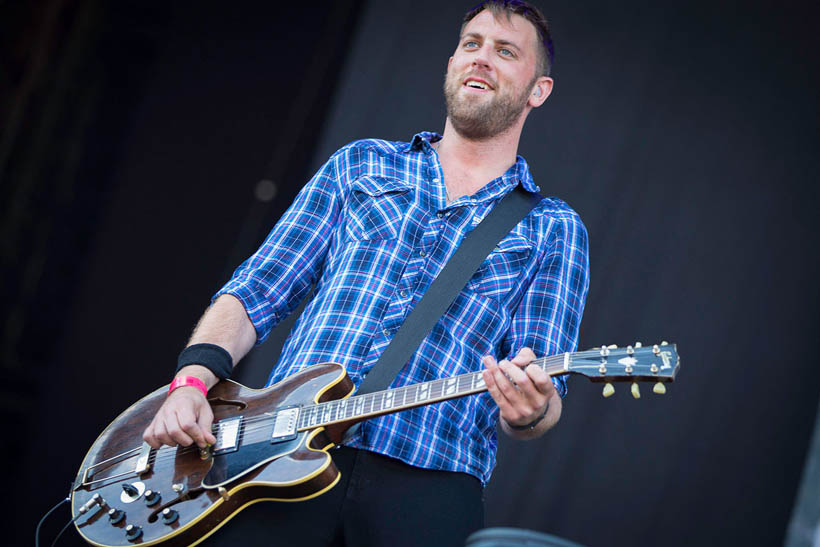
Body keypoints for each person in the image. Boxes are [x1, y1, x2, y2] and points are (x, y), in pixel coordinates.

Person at [143, 1, 589, 545]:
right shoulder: (361, 165)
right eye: (471, 45)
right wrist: (191, 383)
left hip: (428, 484)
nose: (481, 59)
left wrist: (530, 409)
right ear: (451, 62)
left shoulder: (553, 228)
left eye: (505, 51)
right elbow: (257, 290)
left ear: (538, 90)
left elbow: (542, 400)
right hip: (278, 457)